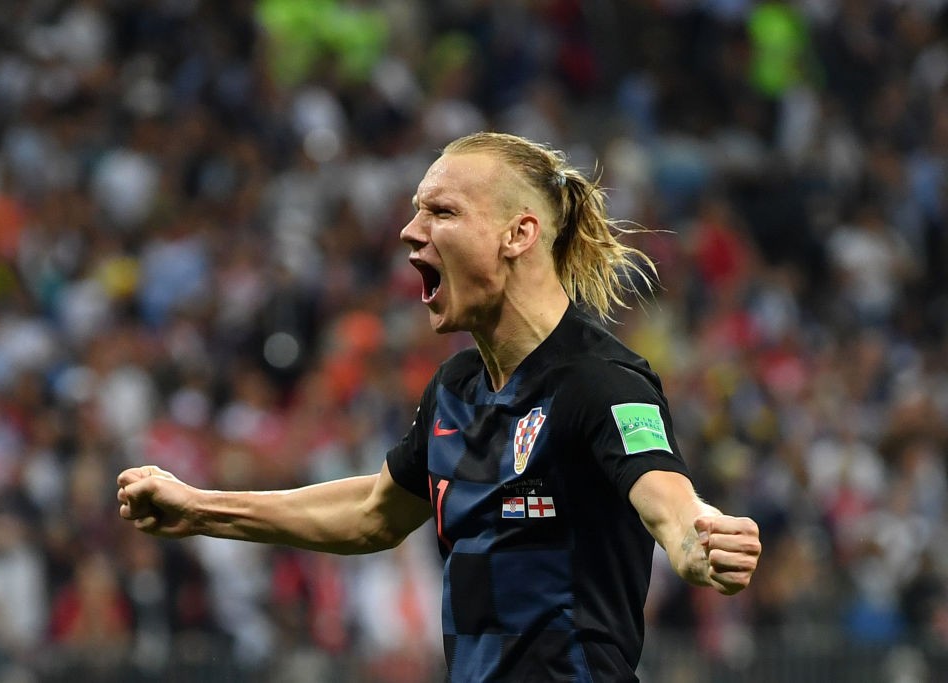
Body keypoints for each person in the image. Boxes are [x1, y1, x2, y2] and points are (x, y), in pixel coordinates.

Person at [117, 131, 761, 681]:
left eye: (441, 212)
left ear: (518, 234)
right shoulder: (456, 388)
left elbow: (668, 501)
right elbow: (373, 514)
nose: (409, 231)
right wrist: (200, 507)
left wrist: (699, 542)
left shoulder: (602, 383)